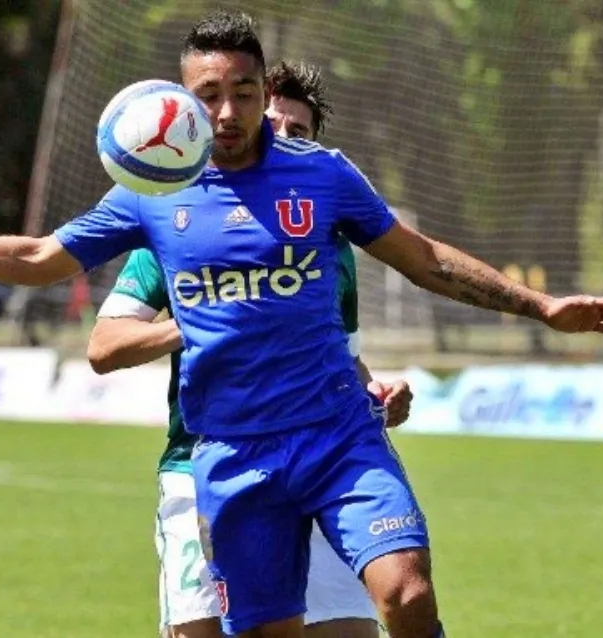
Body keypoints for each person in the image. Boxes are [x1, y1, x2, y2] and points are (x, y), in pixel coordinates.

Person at [0, 10, 603, 638]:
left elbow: (421, 257)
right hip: (232, 458)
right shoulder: (154, 192)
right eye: (208, 94)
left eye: (242, 92)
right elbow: (41, 257)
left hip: (337, 436)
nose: (227, 109)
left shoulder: (321, 176)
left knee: (408, 593)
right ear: (183, 99)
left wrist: (542, 306)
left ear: (261, 92)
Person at [87, 60, 410, 638]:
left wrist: (377, 393)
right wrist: (202, 319)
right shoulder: (175, 217)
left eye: (300, 133)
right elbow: (104, 344)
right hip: (205, 464)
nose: (282, 138)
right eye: (274, 123)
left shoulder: (330, 249)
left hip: (321, 455)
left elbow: (346, 355)